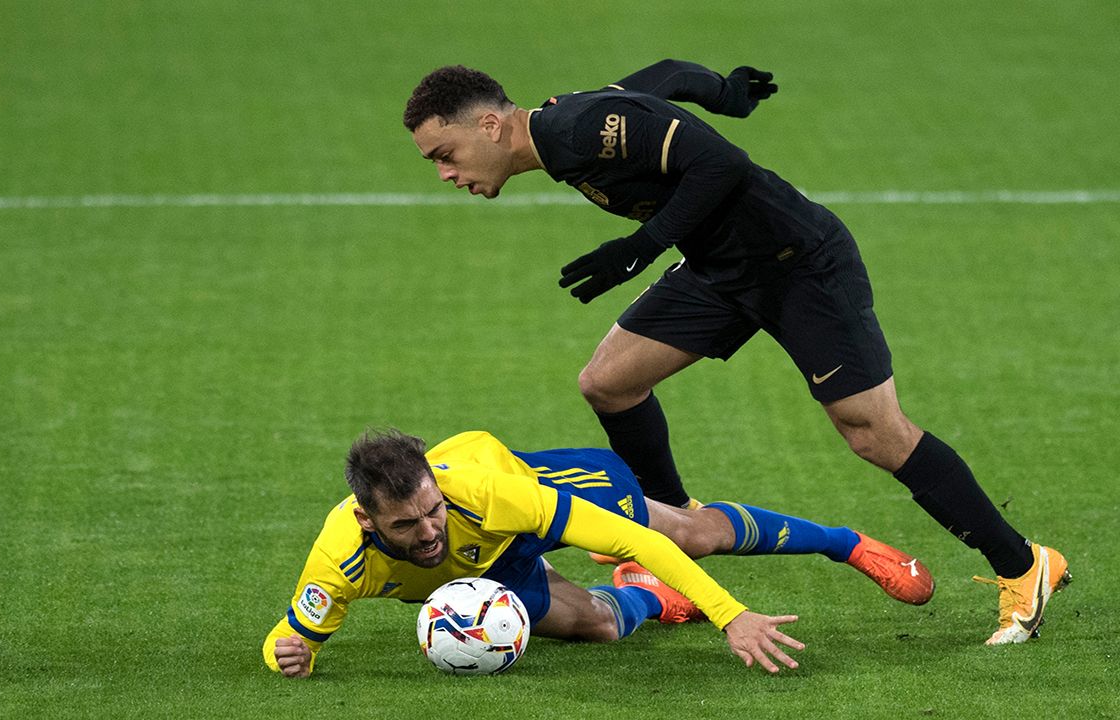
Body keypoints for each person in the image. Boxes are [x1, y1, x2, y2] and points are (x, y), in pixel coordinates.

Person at [402, 59, 1070, 645]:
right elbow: (662, 79)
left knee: (875, 434)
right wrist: (725, 91)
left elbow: (721, 163)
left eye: (444, 152)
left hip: (797, 264)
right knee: (609, 382)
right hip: (721, 269)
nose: (444, 172)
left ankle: (1023, 566)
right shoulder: (565, 128)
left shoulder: (574, 130)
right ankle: (673, 524)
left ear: (489, 126)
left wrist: (641, 245)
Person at [264, 428, 935, 678]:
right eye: (407, 526)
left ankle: (846, 544)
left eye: (433, 510)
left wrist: (732, 615)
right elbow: (290, 638)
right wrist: (288, 653)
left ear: (441, 492)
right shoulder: (340, 558)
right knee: (604, 627)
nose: (429, 530)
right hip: (492, 569)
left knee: (685, 532)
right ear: (367, 518)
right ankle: (654, 595)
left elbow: (632, 536)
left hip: (527, 499)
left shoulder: (485, 496)